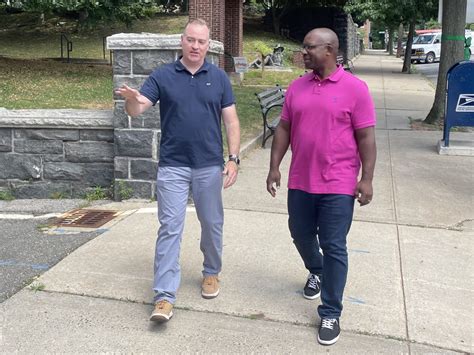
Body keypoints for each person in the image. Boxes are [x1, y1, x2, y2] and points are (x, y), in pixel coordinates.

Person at [115, 18, 240, 323]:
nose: (196, 46)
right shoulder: (163, 75)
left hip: (209, 165)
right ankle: (164, 296)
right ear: (181, 42)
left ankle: (211, 272)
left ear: (208, 46)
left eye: (201, 41)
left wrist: (233, 158)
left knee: (212, 224)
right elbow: (138, 108)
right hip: (173, 166)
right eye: (191, 40)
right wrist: (131, 100)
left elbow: (232, 121)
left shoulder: (219, 77)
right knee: (170, 228)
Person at [266, 27, 376, 346]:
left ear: (328, 50)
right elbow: (284, 128)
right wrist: (274, 167)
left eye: (309, 48)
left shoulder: (356, 89)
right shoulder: (297, 88)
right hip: (302, 178)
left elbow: (366, 138)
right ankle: (316, 269)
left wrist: (366, 178)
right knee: (299, 233)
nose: (304, 53)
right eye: (304, 47)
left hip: (339, 182)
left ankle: (330, 311)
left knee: (334, 244)